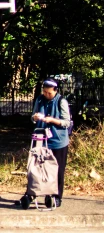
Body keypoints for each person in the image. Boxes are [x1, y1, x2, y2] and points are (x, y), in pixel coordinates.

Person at [31, 78, 72, 207]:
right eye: (44, 92)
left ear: (55, 91)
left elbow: (66, 122)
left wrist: (53, 120)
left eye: (49, 93)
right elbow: (32, 117)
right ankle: (45, 194)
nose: (46, 95)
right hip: (42, 140)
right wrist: (35, 117)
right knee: (42, 168)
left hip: (58, 141)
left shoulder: (61, 101)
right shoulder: (40, 99)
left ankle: (57, 196)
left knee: (58, 170)